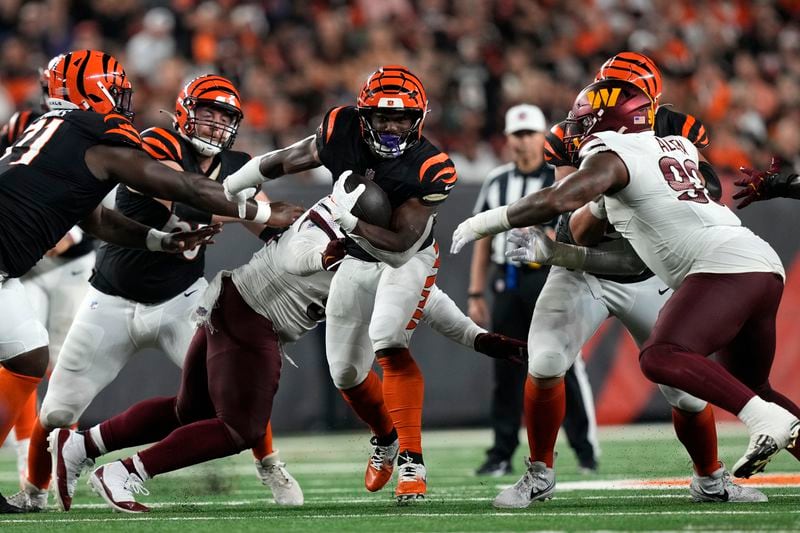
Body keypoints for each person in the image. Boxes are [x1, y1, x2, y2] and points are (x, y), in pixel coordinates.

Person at [50, 195, 527, 513]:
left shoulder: (395, 254)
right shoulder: (331, 221)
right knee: (241, 428)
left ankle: (82, 445)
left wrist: (482, 340)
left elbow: (432, 302)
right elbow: (298, 251)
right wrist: (328, 255)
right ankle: (126, 472)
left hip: (233, 305)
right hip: (252, 314)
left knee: (189, 410)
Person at [451, 77, 800, 508]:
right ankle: (539, 473)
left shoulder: (651, 144)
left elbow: (625, 248)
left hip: (645, 270)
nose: (577, 128)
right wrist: (578, 229)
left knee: (683, 384)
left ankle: (711, 477)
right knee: (544, 362)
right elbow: (575, 227)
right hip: (584, 269)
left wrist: (536, 236)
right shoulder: (647, 144)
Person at [0, 49, 302, 513]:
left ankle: (268, 461)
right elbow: (181, 190)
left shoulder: (63, 132)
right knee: (55, 411)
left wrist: (304, 234)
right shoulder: (136, 138)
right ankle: (35, 493)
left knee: (234, 382)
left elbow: (97, 218)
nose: (215, 125)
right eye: (206, 113)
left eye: (225, 117)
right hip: (110, 298)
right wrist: (258, 207)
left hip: (180, 298)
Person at [222, 65, 458, 502]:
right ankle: (385, 437)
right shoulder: (342, 127)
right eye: (382, 117)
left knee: (389, 341)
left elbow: (402, 245)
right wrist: (238, 182)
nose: (390, 126)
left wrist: (348, 220)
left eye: (401, 117)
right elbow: (290, 158)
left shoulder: (431, 167)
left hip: (403, 257)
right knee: (346, 374)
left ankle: (412, 460)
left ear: (418, 119)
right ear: (363, 115)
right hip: (354, 255)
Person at [469, 104, 598, 476]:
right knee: (505, 369)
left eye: (530, 134)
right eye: (517, 134)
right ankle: (501, 452)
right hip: (506, 279)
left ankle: (583, 448)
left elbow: (578, 224)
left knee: (561, 362)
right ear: (507, 139)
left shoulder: (560, 177)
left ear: (543, 137)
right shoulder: (497, 180)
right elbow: (483, 238)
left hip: (548, 274)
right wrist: (476, 292)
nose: (523, 142)